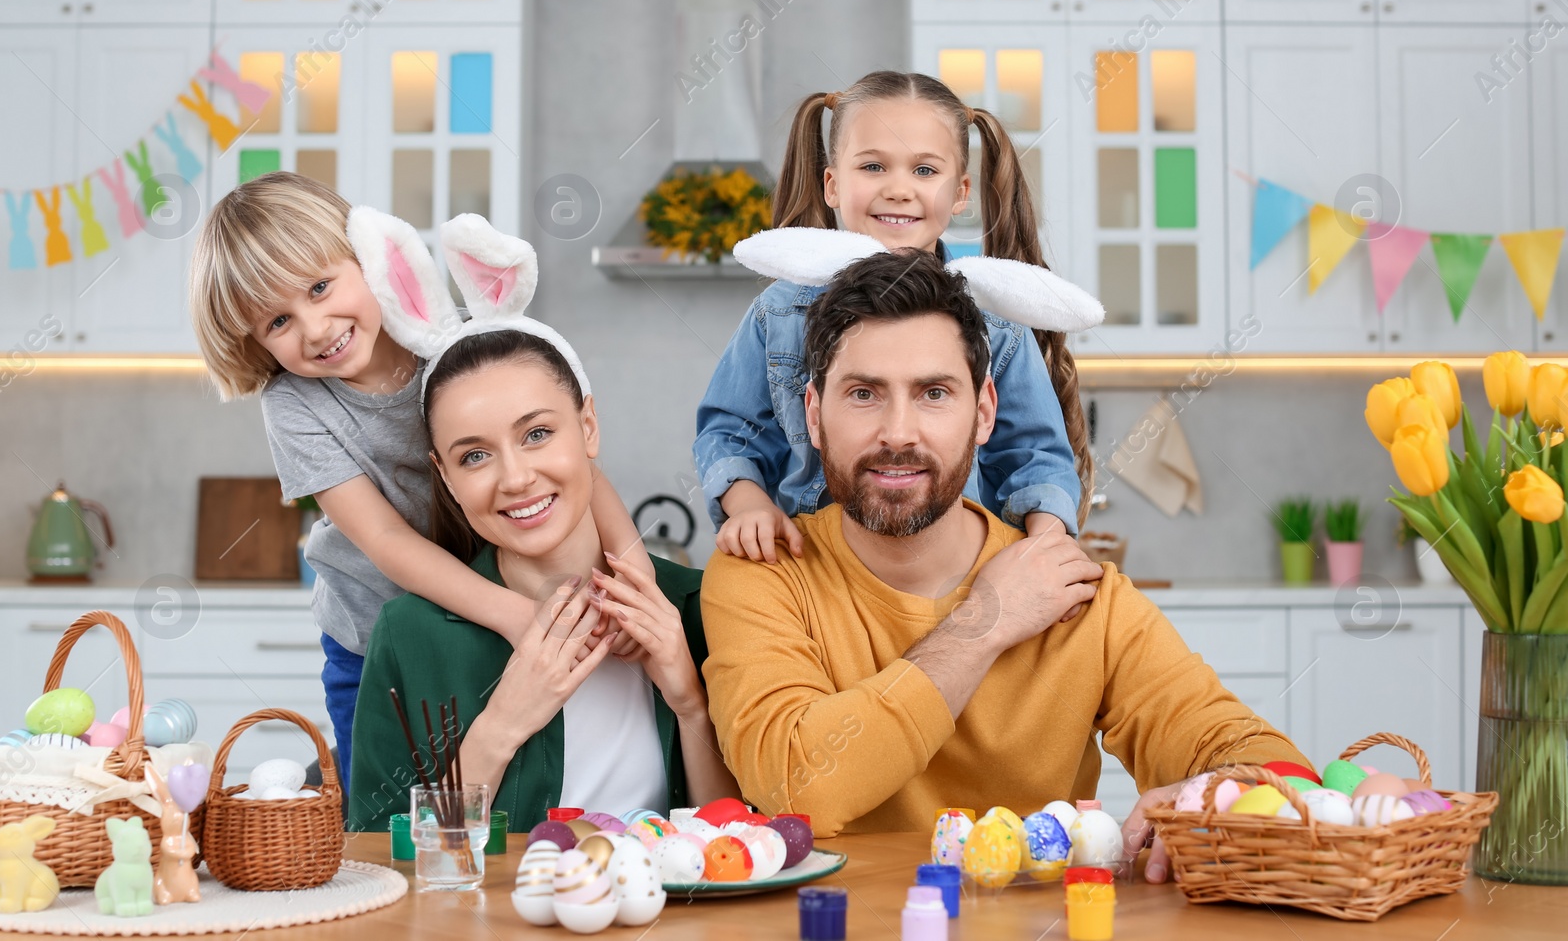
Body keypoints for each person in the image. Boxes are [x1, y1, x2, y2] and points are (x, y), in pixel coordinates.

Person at [700, 249, 1312, 883]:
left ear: (985, 410)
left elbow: (1254, 753)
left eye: (934, 393)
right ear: (812, 414)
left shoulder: (1070, 590)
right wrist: (986, 621)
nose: (898, 432)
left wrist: (1229, 791)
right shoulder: (762, 575)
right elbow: (800, 789)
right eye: (863, 394)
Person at [188, 173, 648, 792]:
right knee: (380, 815)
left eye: (321, 287)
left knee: (486, 784)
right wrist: (516, 615)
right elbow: (382, 538)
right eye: (278, 322)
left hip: (475, 610)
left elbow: (583, 469)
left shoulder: (452, 343)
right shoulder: (293, 404)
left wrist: (637, 578)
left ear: (368, 257)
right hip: (370, 634)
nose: (317, 328)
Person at [347, 215, 735, 829]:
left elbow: (739, 848)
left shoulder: (702, 606)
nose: (516, 478)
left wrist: (689, 702)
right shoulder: (411, 634)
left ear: (587, 428)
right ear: (443, 475)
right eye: (474, 455)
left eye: (537, 434)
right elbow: (379, 862)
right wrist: (501, 723)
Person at [694, 70, 1098, 565]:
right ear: (832, 184)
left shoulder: (997, 323)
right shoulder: (779, 312)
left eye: (925, 171)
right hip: (813, 573)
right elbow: (729, 430)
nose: (899, 190)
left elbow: (1034, 454)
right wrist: (748, 505)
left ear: (960, 193)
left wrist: (1047, 540)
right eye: (873, 167)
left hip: (954, 578)